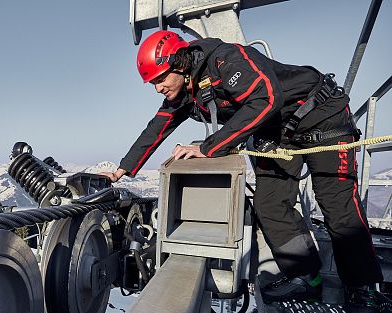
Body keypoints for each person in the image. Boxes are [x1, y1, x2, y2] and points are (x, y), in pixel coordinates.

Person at [101, 30, 384, 312]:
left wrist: (209, 148)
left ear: (180, 63)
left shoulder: (228, 60)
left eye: (160, 79)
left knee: (338, 205)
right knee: (269, 204)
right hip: (278, 131)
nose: (158, 88)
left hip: (322, 118)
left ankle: (363, 290)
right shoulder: (187, 89)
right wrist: (122, 169)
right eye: (152, 83)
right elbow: (157, 126)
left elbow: (266, 100)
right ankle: (306, 277)